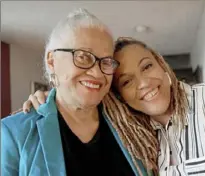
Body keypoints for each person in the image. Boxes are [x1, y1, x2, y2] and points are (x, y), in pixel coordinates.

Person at [25, 37, 205, 176]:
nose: (144, 83)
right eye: (126, 82)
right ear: (119, 97)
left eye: (147, 66)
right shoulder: (139, 140)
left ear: (161, 64)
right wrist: (56, 101)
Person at [1, 9, 158, 176]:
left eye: (105, 62)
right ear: (52, 61)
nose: (97, 74)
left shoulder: (132, 124)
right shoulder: (14, 134)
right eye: (83, 57)